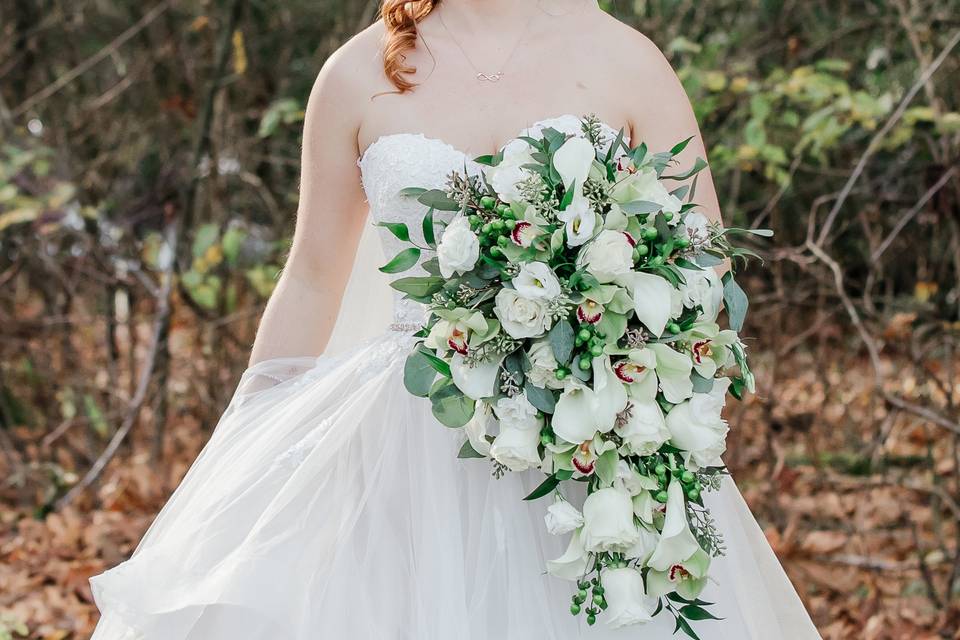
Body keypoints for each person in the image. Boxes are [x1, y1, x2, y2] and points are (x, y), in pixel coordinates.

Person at [88, 1, 822, 637]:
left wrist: (640, 395)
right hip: (406, 432)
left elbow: (705, 261)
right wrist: (249, 434)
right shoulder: (354, 75)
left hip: (588, 429)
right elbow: (313, 275)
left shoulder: (624, 56)